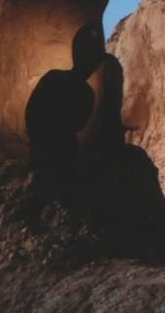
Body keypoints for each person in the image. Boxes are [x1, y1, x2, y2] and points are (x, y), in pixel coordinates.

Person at [24, 21, 105, 204]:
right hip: (50, 153)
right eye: (89, 54)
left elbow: (35, 113)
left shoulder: (80, 90)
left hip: (55, 153)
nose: (93, 63)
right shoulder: (75, 88)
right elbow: (35, 115)